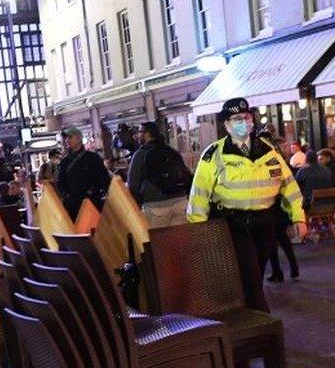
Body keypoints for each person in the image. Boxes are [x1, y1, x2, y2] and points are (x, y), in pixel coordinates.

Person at [187, 97, 307, 311]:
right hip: (233, 225)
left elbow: (289, 186)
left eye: (247, 117)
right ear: (227, 124)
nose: (244, 122)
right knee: (250, 278)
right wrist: (199, 233)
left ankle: (249, 317)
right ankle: (261, 321)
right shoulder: (215, 154)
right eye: (237, 118)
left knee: (256, 275)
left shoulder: (269, 151)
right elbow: (199, 195)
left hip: (263, 223)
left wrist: (298, 217)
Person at [127, 121, 192, 228]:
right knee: (181, 241)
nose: (138, 135)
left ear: (147, 134)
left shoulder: (141, 154)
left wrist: (138, 204)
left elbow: (133, 184)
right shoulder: (171, 151)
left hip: (156, 206)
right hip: (180, 202)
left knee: (158, 242)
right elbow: (186, 174)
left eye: (140, 132)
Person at [56, 127, 111, 220]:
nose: (67, 140)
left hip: (92, 204)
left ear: (79, 138)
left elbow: (104, 180)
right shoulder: (64, 162)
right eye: (66, 138)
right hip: (72, 208)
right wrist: (68, 196)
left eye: (70, 137)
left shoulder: (93, 158)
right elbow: (61, 183)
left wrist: (91, 193)